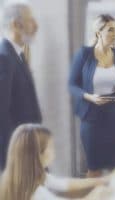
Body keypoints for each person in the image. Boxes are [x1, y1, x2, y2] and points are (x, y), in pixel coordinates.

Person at [69, 14, 115, 178]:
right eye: (111, 30)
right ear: (98, 33)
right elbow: (72, 85)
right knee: (94, 168)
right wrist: (89, 97)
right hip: (92, 118)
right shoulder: (84, 54)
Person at [0, 124, 108, 200]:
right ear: (38, 154)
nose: (54, 151)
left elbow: (64, 184)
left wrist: (99, 181)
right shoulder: (37, 194)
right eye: (51, 147)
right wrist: (98, 192)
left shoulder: (24, 177)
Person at [0, 3, 42, 170]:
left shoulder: (18, 54)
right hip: (16, 152)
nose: (36, 26)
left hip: (28, 146)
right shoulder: (4, 57)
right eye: (31, 20)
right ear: (16, 25)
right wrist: (15, 153)